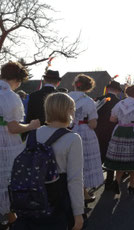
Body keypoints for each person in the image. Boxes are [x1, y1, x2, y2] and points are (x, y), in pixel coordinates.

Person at [12, 93, 84, 230]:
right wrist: (78, 212)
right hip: (57, 199)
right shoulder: (73, 139)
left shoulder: (33, 134)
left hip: (32, 197)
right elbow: (75, 179)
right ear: (68, 110)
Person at [0, 62, 40, 227]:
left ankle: (10, 217)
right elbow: (13, 127)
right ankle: (12, 218)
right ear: (17, 79)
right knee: (7, 180)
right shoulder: (10, 96)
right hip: (5, 144)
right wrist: (32, 125)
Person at [104, 85, 134, 194]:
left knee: (121, 158)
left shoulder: (119, 104)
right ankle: (131, 186)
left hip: (119, 131)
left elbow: (112, 119)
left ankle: (117, 181)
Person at [68, 74, 104, 202]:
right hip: (84, 133)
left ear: (74, 84)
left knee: (70, 163)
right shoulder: (89, 101)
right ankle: (83, 193)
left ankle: (77, 191)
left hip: (66, 131)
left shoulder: (64, 98)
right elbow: (92, 124)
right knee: (83, 163)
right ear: (89, 87)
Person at [94, 80, 121, 191]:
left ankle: (95, 179)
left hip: (98, 130)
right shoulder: (119, 102)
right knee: (111, 155)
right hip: (112, 131)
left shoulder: (98, 99)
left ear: (108, 89)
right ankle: (109, 180)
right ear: (118, 91)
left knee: (98, 154)